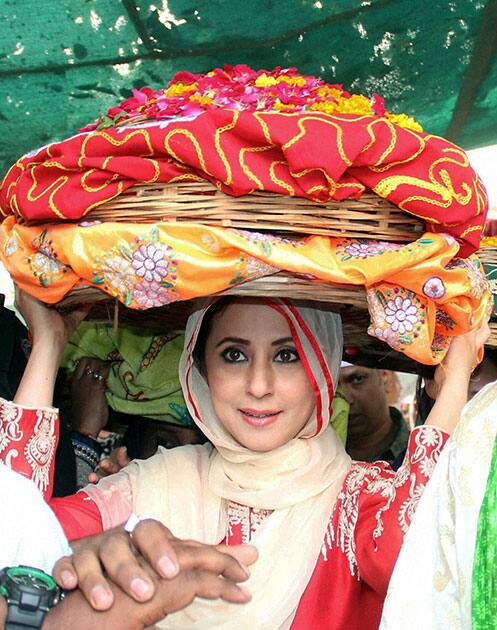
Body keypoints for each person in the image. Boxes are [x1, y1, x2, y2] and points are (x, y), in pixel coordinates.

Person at [1, 290, 488, 629]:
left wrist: (455, 384)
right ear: (200, 368)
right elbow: (19, 536)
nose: (258, 385)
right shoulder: (149, 483)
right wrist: (49, 345)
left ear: (323, 365)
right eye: (234, 355)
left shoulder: (356, 497)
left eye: (287, 355)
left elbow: (423, 552)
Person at [339, 365, 409, 465]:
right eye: (333, 386)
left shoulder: (422, 455)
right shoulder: (317, 460)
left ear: (385, 377)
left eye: (357, 379)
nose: (346, 399)